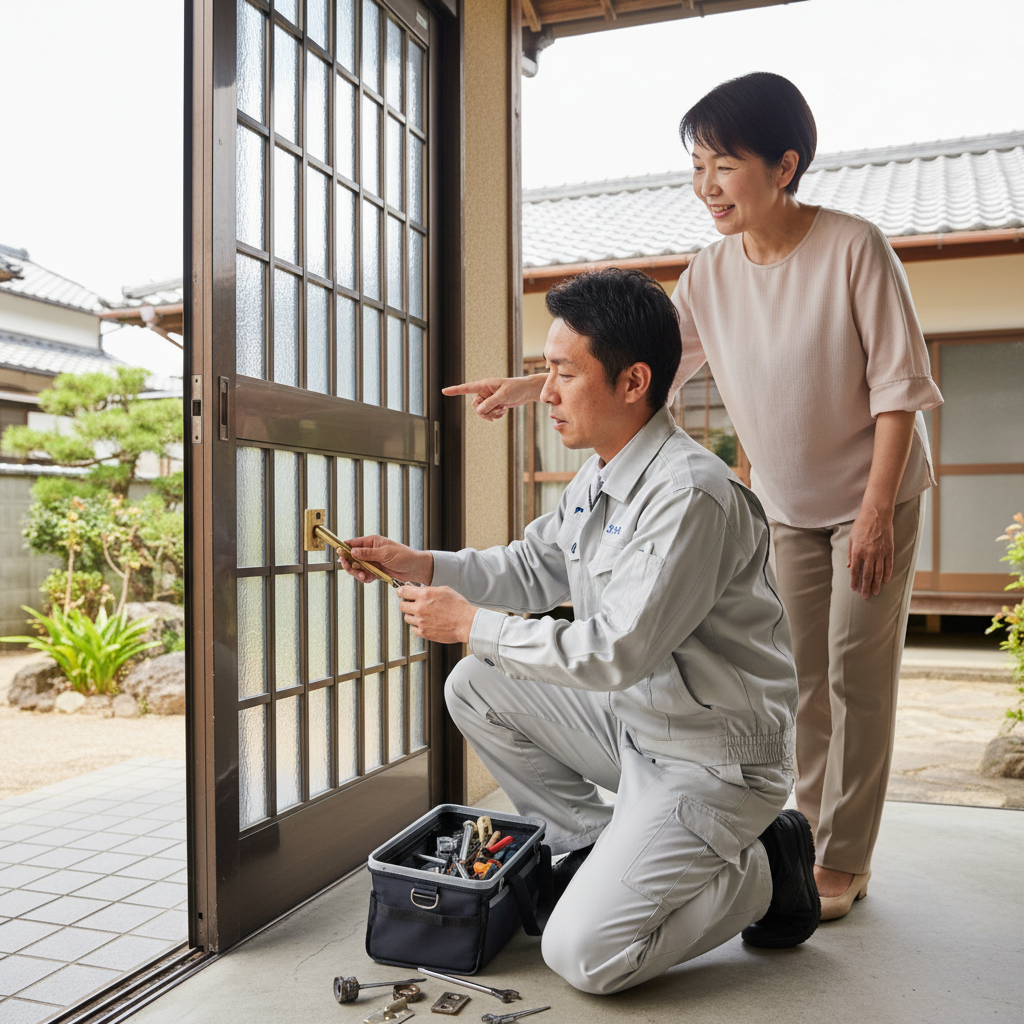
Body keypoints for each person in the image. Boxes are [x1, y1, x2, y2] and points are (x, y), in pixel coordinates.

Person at [444, 73, 943, 922]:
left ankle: (842, 857)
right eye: (697, 164)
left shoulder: (855, 247)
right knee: (802, 679)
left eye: (725, 164)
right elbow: (639, 367)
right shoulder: (710, 273)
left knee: (859, 674)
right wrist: (536, 386)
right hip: (784, 503)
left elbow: (900, 390)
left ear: (784, 166)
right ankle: (797, 833)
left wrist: (873, 512)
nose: (706, 184)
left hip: (873, 496)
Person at [340, 268, 818, 996]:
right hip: (639, 729)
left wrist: (470, 623)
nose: (547, 393)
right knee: (476, 682)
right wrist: (417, 561)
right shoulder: (602, 476)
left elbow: (617, 651)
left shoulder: (690, 496)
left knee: (584, 956)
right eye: (546, 371)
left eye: (564, 373)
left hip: (714, 759)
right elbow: (533, 567)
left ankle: (764, 867)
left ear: (633, 382)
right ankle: (594, 846)